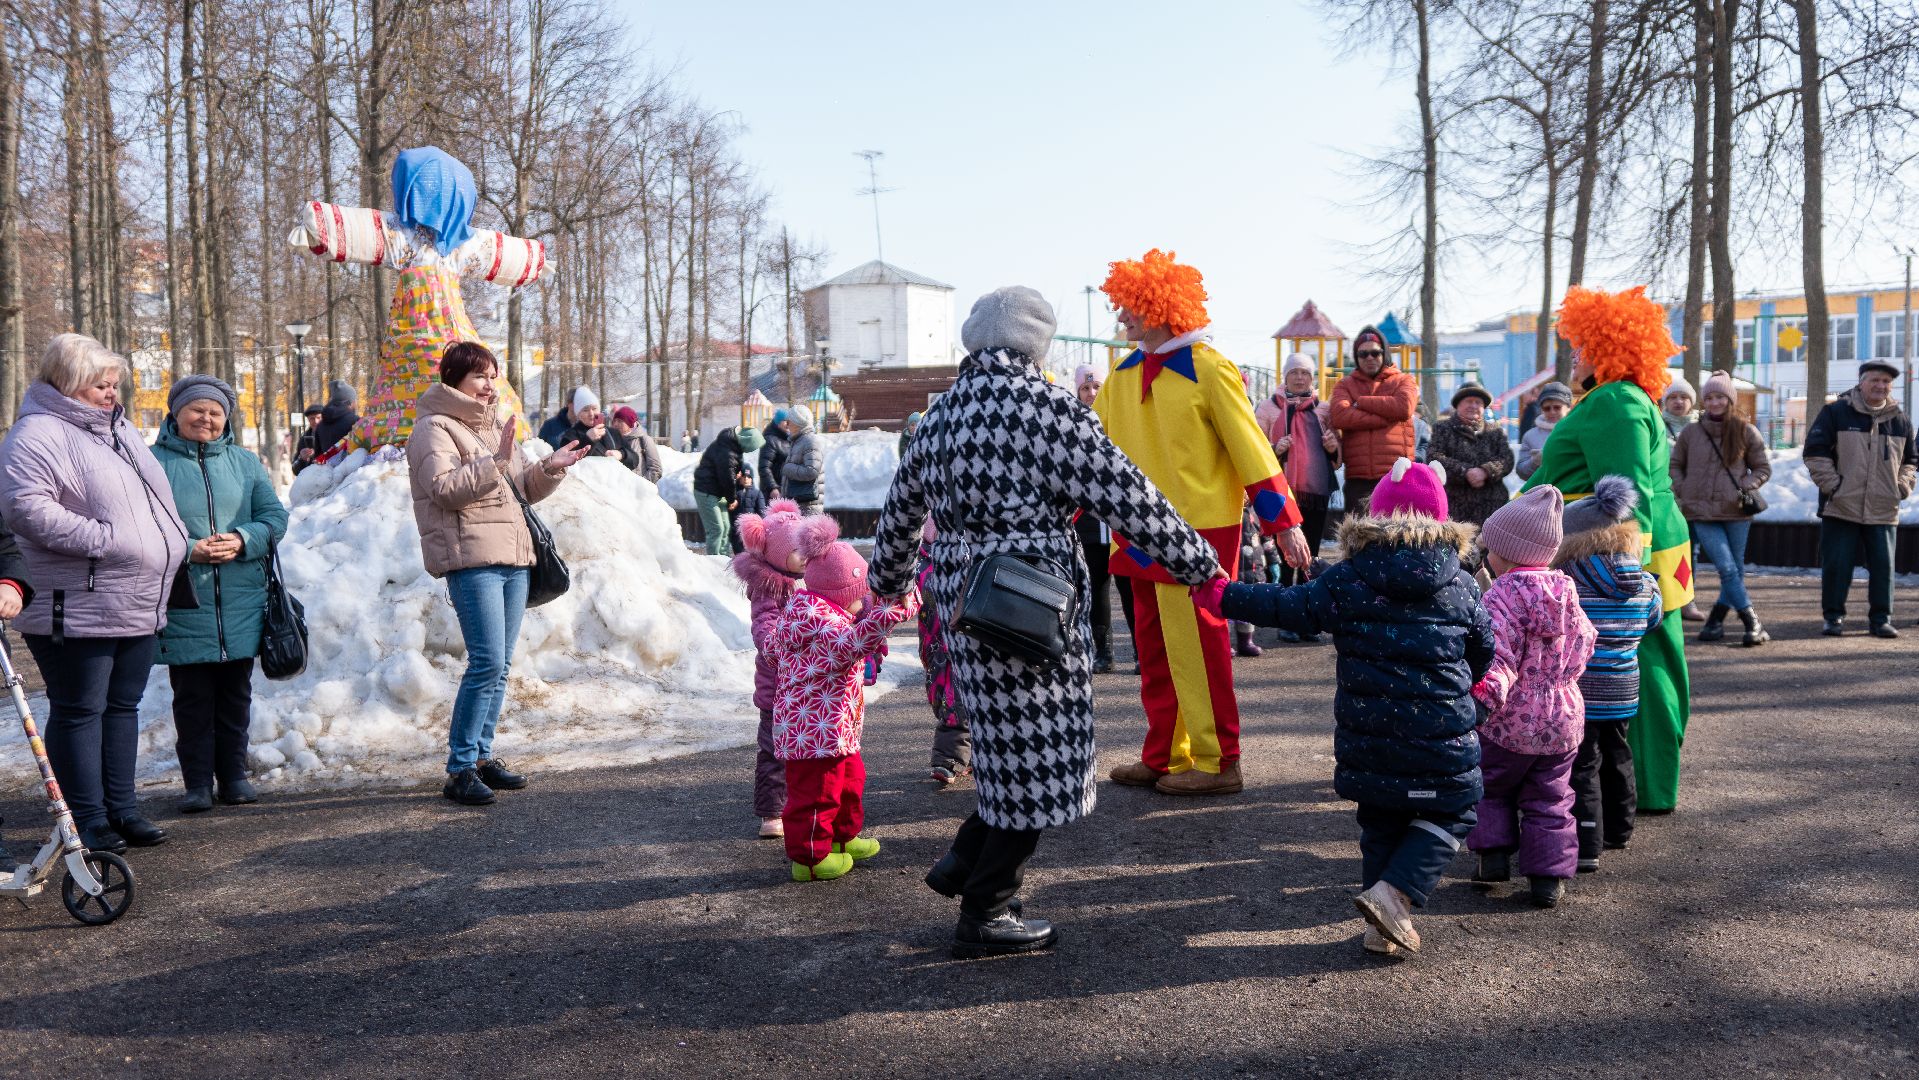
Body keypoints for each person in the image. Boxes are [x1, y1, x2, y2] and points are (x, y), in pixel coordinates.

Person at [869, 285, 1223, 959]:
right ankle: (986, 911)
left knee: (1004, 748)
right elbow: (1129, 497)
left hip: (960, 594)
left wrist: (885, 590)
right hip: (1029, 599)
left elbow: (897, 517)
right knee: (1040, 762)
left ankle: (964, 863)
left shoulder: (939, 415)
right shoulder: (1049, 410)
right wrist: (1199, 564)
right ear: (1038, 344)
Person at [1195, 456, 1493, 956]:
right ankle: (1394, 896)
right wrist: (1467, 686)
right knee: (1457, 809)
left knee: (1381, 822)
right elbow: (1484, 650)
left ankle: (1381, 928)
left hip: (1370, 736)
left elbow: (1286, 606)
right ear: (1443, 523)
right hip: (1440, 738)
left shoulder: (1350, 577)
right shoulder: (1461, 585)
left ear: (1373, 517)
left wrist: (1224, 596)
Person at [1092, 249, 1309, 797]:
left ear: (1160, 307)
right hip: (1137, 532)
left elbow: (1250, 448)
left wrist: (1283, 522)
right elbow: (1087, 452)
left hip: (1200, 535)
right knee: (1156, 648)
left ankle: (1218, 761)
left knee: (1200, 648)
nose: (1121, 319)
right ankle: (1166, 752)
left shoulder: (1211, 369)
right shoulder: (1120, 376)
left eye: (1129, 308)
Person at [0, 333, 191, 853]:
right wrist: (105, 540)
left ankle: (122, 809)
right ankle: (87, 819)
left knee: (122, 705)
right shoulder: (36, 433)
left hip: (135, 593)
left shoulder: (118, 429)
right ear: (66, 384)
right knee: (80, 708)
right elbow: (24, 507)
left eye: (114, 384)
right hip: (78, 596)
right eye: (99, 385)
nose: (112, 393)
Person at [1524, 285, 1693, 815]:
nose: (1573, 354)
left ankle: (1644, 787)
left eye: (1581, 344)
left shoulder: (1615, 401)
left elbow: (1625, 493)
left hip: (1616, 556)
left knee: (1638, 660)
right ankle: (1640, 785)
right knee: (1640, 660)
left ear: (1609, 347)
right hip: (1634, 550)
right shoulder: (1614, 399)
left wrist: (1630, 572)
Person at [406, 342, 589, 805]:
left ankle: (483, 757)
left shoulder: (491, 427)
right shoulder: (434, 428)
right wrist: (496, 462)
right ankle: (460, 767)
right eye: (480, 378)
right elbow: (444, 490)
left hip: (513, 557)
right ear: (455, 382)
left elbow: (522, 489)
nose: (490, 387)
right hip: (472, 560)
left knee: (501, 667)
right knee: (485, 662)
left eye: (493, 377)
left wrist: (550, 467)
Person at [151, 374, 290, 813]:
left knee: (236, 694)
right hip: (184, 598)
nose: (206, 418)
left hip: (240, 599)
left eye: (215, 412)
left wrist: (243, 539)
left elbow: (274, 517)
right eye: (197, 410)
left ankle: (233, 775)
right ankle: (195, 784)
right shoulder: (150, 462)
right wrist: (188, 548)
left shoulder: (246, 463)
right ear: (176, 412)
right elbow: (142, 524)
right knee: (191, 698)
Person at [1468, 485, 1597, 910]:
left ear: (1505, 553)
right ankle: (1547, 879)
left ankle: (1493, 858)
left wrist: (1481, 700)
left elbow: (1497, 658)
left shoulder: (1501, 595)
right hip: (1563, 716)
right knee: (1552, 796)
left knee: (1490, 785)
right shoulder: (1566, 591)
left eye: (1491, 548)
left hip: (1511, 719)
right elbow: (1585, 642)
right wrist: (1563, 678)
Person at [770, 518, 917, 882]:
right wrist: (894, 612)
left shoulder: (823, 611)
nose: (863, 603)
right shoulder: (819, 624)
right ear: (838, 594)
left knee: (850, 782)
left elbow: (857, 624)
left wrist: (888, 604)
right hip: (812, 734)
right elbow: (855, 642)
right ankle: (810, 858)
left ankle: (840, 838)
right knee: (816, 795)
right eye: (859, 595)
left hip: (836, 728)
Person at [1552, 476, 1663, 874]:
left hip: (1583, 687)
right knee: (1619, 754)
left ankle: (1587, 842)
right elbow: (1653, 621)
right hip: (1624, 686)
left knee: (1583, 764)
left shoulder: (1569, 583)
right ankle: (1620, 830)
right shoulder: (1645, 582)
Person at [1804, 359, 1917, 638]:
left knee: (1883, 567)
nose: (1880, 386)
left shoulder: (1899, 419)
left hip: (1883, 506)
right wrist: (1834, 487)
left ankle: (1881, 619)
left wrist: (1901, 486)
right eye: (1874, 380)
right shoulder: (1836, 413)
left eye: (1886, 382)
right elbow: (1816, 453)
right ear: (1861, 382)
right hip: (1841, 505)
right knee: (1837, 566)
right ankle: (1833, 617)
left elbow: (1911, 461)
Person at [1670, 370, 1773, 645]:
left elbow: (1762, 467)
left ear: (1730, 399)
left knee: (1734, 571)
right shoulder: (1692, 432)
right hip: (1701, 512)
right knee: (1727, 569)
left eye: (1720, 397)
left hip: (1736, 511)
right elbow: (1675, 466)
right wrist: (1684, 489)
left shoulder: (1744, 430)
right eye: (1710, 397)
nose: (1715, 402)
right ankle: (1753, 623)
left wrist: (1746, 484)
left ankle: (1715, 621)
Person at [730, 499, 806, 839]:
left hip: (807, 685)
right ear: (775, 552)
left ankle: (801, 803)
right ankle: (771, 811)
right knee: (774, 750)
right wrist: (778, 642)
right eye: (796, 550)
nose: (805, 556)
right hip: (777, 687)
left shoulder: (810, 578)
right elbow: (764, 624)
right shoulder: (768, 587)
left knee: (805, 749)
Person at [1253, 353, 1341, 640]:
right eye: (1294, 372)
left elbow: (1338, 458)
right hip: (1281, 491)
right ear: (1285, 376)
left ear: (1312, 378)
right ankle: (1288, 620)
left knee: (1310, 555)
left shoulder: (1324, 410)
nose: (1300, 377)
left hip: (1315, 492)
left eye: (1305, 373)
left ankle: (1308, 619)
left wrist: (1331, 447)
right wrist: (1275, 447)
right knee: (1284, 555)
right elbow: (1253, 447)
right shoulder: (1268, 408)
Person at [1329, 326, 1419, 516]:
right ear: (1356, 357)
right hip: (1359, 480)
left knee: (1397, 539)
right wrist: (1385, 416)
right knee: (1360, 539)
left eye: (1375, 353)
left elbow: (1403, 408)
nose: (1369, 358)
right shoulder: (1345, 384)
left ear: (1384, 353)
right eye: (1363, 354)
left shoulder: (1404, 380)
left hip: (1397, 475)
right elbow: (1339, 416)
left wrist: (1360, 401)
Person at [1071, 365, 1120, 672]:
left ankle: (1144, 653)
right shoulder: (1072, 422)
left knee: (1130, 585)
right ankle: (1104, 651)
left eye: (1097, 387)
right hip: (1088, 517)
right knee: (1096, 583)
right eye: (1085, 389)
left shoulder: (1119, 416)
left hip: (1119, 514)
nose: (1091, 394)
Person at [1427, 382, 1514, 527]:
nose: (1473, 406)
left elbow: (1507, 459)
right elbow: (1434, 457)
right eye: (1468, 401)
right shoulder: (1442, 428)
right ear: (1458, 405)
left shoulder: (1495, 431)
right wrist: (1465, 471)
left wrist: (1486, 471)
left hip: (1492, 508)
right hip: (1455, 508)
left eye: (1478, 402)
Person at [692, 423, 768, 556]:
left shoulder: (733, 447)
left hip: (716, 492)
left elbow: (731, 472)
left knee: (726, 527)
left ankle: (723, 559)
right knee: (716, 529)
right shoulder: (727, 452)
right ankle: (714, 561)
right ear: (747, 443)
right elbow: (727, 479)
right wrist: (732, 499)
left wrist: (736, 473)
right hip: (706, 491)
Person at [563, 387, 634, 468]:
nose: (591, 414)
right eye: (585, 410)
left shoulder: (613, 432)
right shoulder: (570, 436)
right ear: (578, 414)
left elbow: (635, 460)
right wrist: (588, 440)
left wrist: (622, 454)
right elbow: (568, 465)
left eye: (594, 408)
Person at [1516, 380, 1572, 481]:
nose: (1552, 412)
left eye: (1557, 407)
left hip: (1573, 491)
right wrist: (1535, 462)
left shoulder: (1577, 431)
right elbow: (1521, 472)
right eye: (1547, 408)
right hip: (1544, 493)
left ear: (1568, 407)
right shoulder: (1530, 436)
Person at [780, 405, 826, 515]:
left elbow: (811, 471)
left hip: (808, 507)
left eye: (789, 421)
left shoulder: (810, 441)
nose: (787, 425)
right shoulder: (799, 441)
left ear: (798, 422)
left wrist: (788, 468)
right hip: (800, 505)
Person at [610, 406, 662, 483]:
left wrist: (639, 485)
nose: (616, 424)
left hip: (637, 491)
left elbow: (655, 470)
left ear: (630, 423)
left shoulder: (644, 440)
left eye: (620, 421)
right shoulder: (612, 439)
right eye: (615, 421)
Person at [310, 379, 360, 457]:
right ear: (350, 402)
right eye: (355, 400)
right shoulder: (356, 421)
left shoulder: (320, 426)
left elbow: (318, 456)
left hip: (326, 468)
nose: (356, 403)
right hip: (352, 468)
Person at [727, 468, 767, 553]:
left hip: (751, 530)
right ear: (740, 478)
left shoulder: (757, 493)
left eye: (748, 477)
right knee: (738, 553)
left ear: (752, 479)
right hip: (736, 530)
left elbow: (762, 511)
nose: (746, 479)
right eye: (744, 477)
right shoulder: (734, 493)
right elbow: (730, 512)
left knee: (751, 554)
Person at [759, 409, 791, 497]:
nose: (788, 424)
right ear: (778, 422)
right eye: (785, 421)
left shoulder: (788, 438)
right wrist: (773, 488)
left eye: (790, 421)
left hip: (786, 489)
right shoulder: (770, 440)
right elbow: (764, 467)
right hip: (775, 492)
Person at [291, 403, 328, 474]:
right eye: (312, 418)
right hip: (311, 480)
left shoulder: (332, 435)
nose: (316, 421)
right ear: (308, 420)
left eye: (318, 418)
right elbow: (295, 470)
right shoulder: (304, 439)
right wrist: (302, 458)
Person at [1660, 377, 1696, 444]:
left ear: (1691, 402)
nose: (1678, 401)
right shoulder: (1658, 426)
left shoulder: (1702, 424)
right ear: (1666, 402)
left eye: (1684, 397)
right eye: (1673, 397)